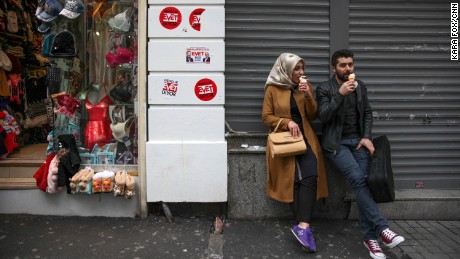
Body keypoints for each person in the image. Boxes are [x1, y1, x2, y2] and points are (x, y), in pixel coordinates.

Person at [316, 49, 404, 259]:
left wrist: (366, 136)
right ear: (333, 68)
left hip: (359, 142)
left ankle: (370, 239)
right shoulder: (324, 88)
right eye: (343, 65)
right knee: (357, 178)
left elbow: (367, 113)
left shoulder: (360, 86)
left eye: (350, 64)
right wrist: (340, 94)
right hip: (336, 145)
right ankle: (382, 229)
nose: (348, 68)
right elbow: (323, 116)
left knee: (364, 183)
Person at [262, 53, 328, 252]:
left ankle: (302, 226)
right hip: (284, 141)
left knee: (311, 175)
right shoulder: (272, 88)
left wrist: (308, 95)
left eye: (302, 68)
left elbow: (312, 114)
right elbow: (266, 117)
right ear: (286, 69)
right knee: (292, 181)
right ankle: (303, 228)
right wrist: (286, 122)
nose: (301, 73)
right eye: (296, 69)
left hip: (306, 138)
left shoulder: (303, 87)